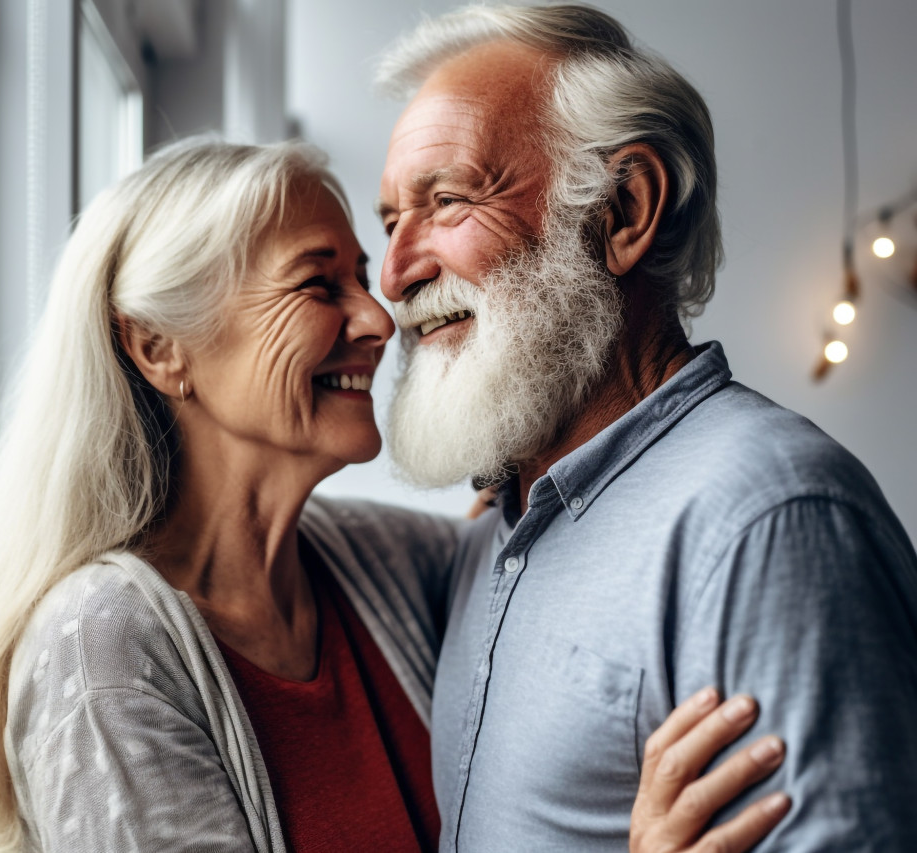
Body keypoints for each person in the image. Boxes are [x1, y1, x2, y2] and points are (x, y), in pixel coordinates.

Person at [0, 139, 785, 852]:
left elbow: (562, 526)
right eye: (318, 284)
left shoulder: (381, 561)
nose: (377, 318)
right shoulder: (99, 645)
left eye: (363, 277)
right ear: (159, 347)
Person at [374, 4, 917, 851]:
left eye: (446, 201)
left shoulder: (768, 520)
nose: (394, 273)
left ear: (624, 209)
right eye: (388, 221)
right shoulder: (502, 523)